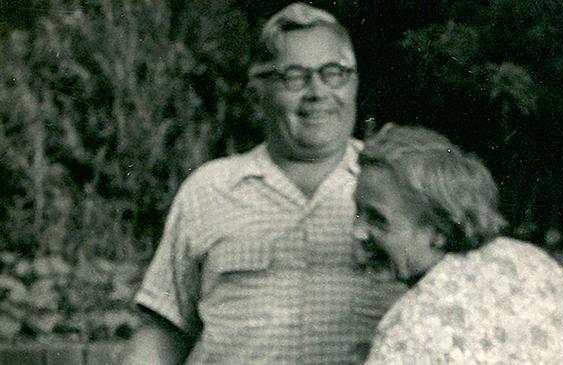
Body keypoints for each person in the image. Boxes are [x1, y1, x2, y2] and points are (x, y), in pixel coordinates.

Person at [121, 3, 403, 365]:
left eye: (334, 73)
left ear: (355, 84)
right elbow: (164, 329)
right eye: (295, 77)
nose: (317, 92)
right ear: (260, 92)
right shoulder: (209, 189)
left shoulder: (398, 189)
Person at [353, 123, 563, 364]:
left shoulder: (408, 331)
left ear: (439, 230)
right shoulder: (519, 257)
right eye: (358, 211)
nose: (358, 231)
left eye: (377, 219)